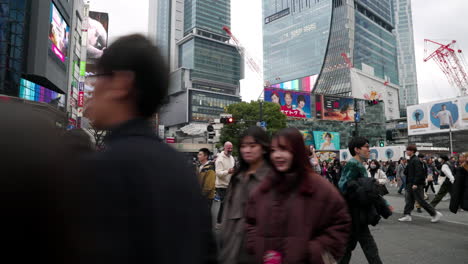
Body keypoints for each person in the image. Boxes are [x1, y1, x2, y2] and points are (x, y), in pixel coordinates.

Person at [79, 34, 215, 264]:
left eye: (98, 76)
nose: (92, 85)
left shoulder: (101, 171)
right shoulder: (183, 171)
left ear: (121, 84)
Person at [246, 128, 351, 264]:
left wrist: (314, 252)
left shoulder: (319, 187)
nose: (277, 155)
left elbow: (340, 223)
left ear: (297, 152)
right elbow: (250, 222)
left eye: (284, 150)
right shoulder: (264, 187)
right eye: (274, 150)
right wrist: (258, 245)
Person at [219, 127, 272, 264]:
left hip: (259, 256)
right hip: (230, 253)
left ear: (264, 148)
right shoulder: (237, 178)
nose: (246, 150)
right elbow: (226, 217)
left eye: (252, 146)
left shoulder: (273, 179)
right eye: (243, 146)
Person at [338, 137, 389, 264]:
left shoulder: (358, 164)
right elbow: (342, 186)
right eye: (366, 146)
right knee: (368, 245)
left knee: (349, 247)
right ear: (357, 149)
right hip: (355, 212)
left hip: (356, 212)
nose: (369, 149)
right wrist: (361, 188)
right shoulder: (353, 164)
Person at [398, 145, 442, 223]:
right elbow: (407, 172)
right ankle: (407, 215)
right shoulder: (411, 160)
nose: (406, 152)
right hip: (410, 184)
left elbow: (419, 173)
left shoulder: (416, 160)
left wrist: (415, 183)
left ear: (412, 151)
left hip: (416, 184)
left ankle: (435, 214)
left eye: (408, 150)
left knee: (421, 200)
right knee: (409, 200)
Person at [215, 141, 236, 226]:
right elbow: (218, 174)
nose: (230, 150)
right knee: (224, 203)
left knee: (231, 203)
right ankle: (219, 222)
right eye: (228, 148)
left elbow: (233, 170)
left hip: (230, 185)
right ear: (224, 148)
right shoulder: (220, 159)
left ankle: (227, 221)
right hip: (221, 185)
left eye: (231, 148)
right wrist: (228, 171)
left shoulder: (232, 158)